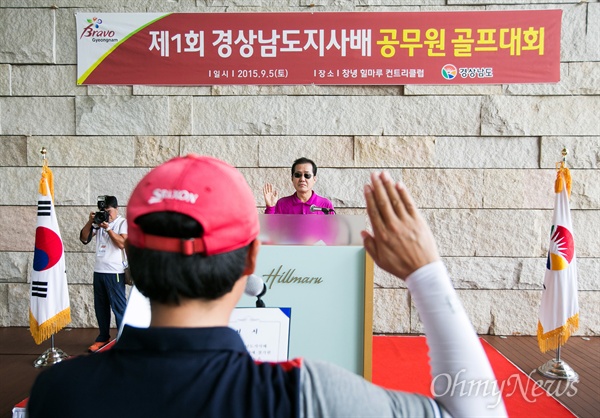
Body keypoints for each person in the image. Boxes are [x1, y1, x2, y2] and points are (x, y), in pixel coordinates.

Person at [28, 155, 506, 418]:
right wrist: (426, 272)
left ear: (132, 255)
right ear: (252, 259)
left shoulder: (56, 393)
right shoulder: (307, 395)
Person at [79, 195, 128, 352]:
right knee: (100, 307)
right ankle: (103, 337)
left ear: (116, 209)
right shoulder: (98, 223)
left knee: (119, 307)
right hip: (99, 271)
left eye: (109, 210)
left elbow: (122, 243)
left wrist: (108, 228)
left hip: (114, 272)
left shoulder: (122, 222)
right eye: (103, 211)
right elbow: (84, 239)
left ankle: (124, 340)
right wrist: (91, 222)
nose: (107, 214)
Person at [263, 157, 335, 214]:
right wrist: (271, 207)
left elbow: (332, 231)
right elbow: (271, 230)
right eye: (298, 175)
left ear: (314, 179)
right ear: (292, 178)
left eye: (307, 175)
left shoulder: (325, 205)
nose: (302, 179)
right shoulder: (282, 204)